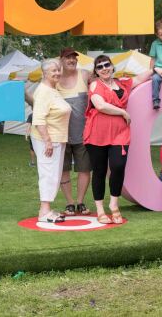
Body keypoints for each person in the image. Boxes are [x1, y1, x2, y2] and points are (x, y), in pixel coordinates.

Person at [83, 54, 152, 224]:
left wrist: (153, 69)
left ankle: (114, 204)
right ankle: (100, 209)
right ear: (96, 72)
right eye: (99, 67)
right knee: (99, 171)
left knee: (118, 166)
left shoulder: (123, 84)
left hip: (120, 133)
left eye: (107, 64)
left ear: (113, 66)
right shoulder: (94, 85)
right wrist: (123, 112)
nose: (104, 68)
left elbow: (140, 78)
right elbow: (100, 105)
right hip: (97, 134)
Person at [30, 59, 72, 223]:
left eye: (58, 70)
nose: (57, 73)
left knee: (54, 174)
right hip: (47, 140)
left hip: (57, 139)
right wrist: (47, 141)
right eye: (53, 70)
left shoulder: (52, 90)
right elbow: (38, 119)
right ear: (44, 73)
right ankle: (44, 211)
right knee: (48, 173)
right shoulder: (43, 92)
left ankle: (46, 208)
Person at [55, 48, 92, 217]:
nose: (72, 60)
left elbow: (103, 86)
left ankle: (81, 202)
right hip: (60, 135)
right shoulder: (53, 78)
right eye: (68, 57)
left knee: (84, 169)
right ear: (61, 59)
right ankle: (70, 203)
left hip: (83, 134)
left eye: (74, 58)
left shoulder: (85, 75)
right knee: (63, 170)